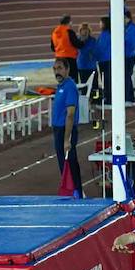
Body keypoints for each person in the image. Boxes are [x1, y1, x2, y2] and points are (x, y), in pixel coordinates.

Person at [51, 59, 81, 196]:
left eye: (60, 68)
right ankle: (73, 193)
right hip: (59, 130)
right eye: (55, 69)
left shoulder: (69, 87)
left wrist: (66, 139)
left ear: (67, 69)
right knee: (65, 165)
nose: (57, 72)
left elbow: (70, 114)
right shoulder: (61, 86)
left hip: (65, 130)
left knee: (69, 164)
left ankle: (76, 194)